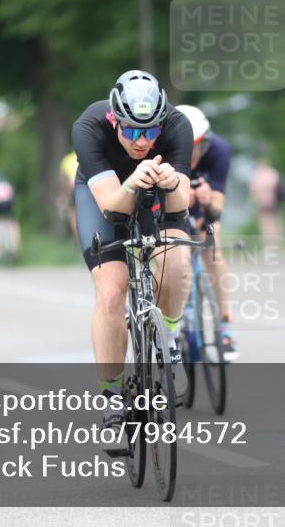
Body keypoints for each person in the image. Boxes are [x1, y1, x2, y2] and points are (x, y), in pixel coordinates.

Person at [71, 70, 193, 450]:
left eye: (150, 132)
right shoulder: (89, 127)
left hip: (155, 191)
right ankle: (110, 397)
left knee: (176, 261)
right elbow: (110, 207)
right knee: (111, 290)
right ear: (114, 119)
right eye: (132, 132)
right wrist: (134, 179)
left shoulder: (177, 126)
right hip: (104, 197)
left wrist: (172, 183)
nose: (142, 141)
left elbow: (182, 206)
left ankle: (168, 340)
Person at [176, 104, 238, 360]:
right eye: (188, 148)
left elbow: (217, 208)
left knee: (212, 251)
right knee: (170, 257)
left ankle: (225, 324)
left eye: (199, 147)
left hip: (203, 210)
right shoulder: (162, 152)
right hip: (171, 210)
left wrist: (208, 198)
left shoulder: (220, 151)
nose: (193, 155)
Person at [249, 158, 285, 240]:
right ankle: (276, 242)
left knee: (268, 223)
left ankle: (272, 242)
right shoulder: (272, 173)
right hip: (271, 202)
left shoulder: (258, 176)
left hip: (267, 202)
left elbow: (253, 190)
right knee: (273, 222)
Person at [58, 151, 79, 237]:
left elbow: (64, 181)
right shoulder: (85, 155)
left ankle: (78, 238)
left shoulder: (66, 160)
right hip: (86, 186)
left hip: (73, 187)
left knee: (73, 213)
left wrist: (63, 196)